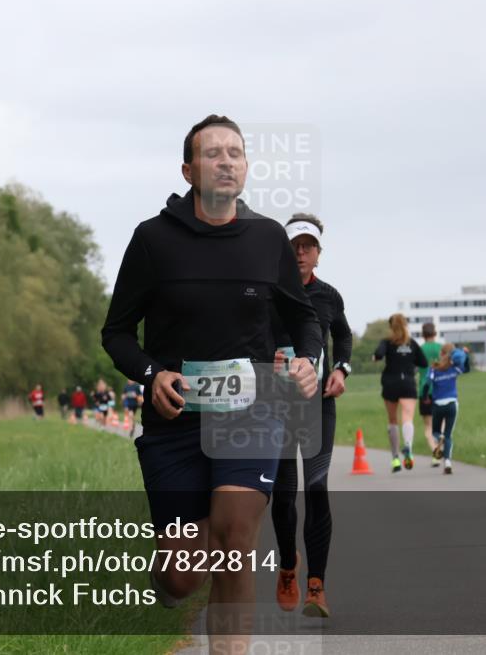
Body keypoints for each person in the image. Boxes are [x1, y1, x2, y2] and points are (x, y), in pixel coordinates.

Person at [101, 115, 322, 652]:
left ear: (245, 168)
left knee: (234, 537)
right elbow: (117, 333)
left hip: (252, 413)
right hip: (175, 421)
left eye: (236, 153)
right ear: (188, 169)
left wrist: (309, 359)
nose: (226, 161)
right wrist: (154, 374)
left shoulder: (268, 238)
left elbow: (303, 320)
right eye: (213, 153)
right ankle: (171, 586)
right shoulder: (153, 240)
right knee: (183, 574)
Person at [270, 213, 352, 619]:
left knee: (316, 487)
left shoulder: (329, 296)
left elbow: (345, 335)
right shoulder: (269, 293)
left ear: (319, 253)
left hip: (318, 405)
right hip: (278, 408)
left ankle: (316, 585)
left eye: (308, 246)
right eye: (294, 246)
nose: (301, 252)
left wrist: (341, 369)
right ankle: (289, 565)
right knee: (284, 495)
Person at [372, 314, 429, 472]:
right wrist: (409, 360)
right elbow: (423, 362)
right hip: (408, 384)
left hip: (390, 383)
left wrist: (375, 358)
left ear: (391, 326)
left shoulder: (387, 342)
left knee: (392, 420)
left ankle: (395, 458)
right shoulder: (412, 343)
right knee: (407, 417)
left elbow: (378, 354)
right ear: (405, 325)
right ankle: (408, 447)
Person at [423, 344, 471, 474]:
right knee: (449, 435)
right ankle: (448, 462)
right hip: (452, 404)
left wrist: (425, 396)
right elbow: (467, 369)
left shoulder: (433, 368)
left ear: (441, 354)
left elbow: (427, 383)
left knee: (435, 432)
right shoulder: (453, 368)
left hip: (438, 405)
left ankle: (440, 438)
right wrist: (466, 355)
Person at [417, 322, 443, 467]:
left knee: (428, 427)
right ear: (435, 333)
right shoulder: (440, 348)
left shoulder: (420, 350)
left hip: (425, 391)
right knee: (442, 425)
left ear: (423, 334)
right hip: (441, 390)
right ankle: (441, 448)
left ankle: (435, 452)